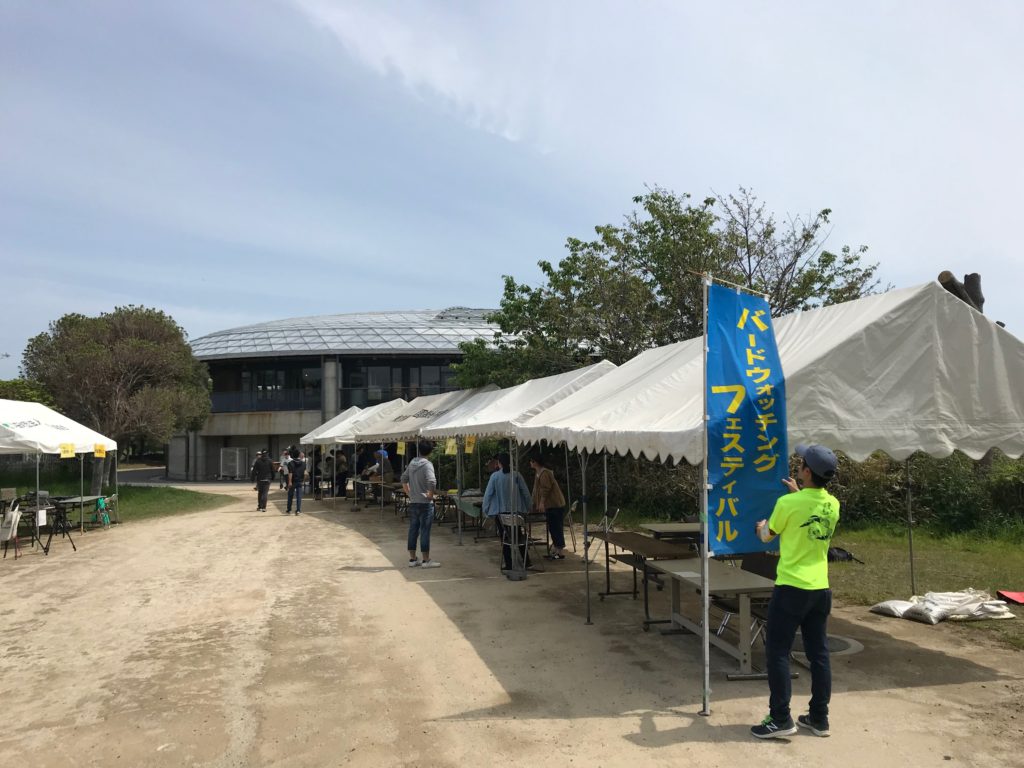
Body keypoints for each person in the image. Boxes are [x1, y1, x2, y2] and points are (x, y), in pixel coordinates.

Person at [750, 443, 841, 740]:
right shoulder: (833, 505)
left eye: (801, 463)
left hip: (791, 588)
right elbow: (808, 514)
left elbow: (767, 535)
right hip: (820, 589)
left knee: (777, 651)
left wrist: (760, 525)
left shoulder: (787, 505)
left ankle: (780, 718)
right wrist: (798, 494)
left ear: (806, 471)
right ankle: (819, 718)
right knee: (819, 654)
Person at [482, 452, 533, 570]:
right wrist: (529, 506)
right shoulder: (516, 475)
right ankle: (527, 562)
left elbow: (488, 495)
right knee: (519, 536)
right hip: (517, 512)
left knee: (505, 537)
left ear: (499, 463)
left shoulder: (495, 477)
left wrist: (485, 509)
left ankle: (509, 564)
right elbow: (525, 492)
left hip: (501, 513)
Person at [401, 440, 440, 568]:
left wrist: (409, 493)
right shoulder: (427, 464)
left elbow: (403, 479)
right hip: (425, 503)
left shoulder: (412, 463)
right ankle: (426, 560)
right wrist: (430, 495)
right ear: (430, 451)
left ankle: (412, 559)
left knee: (413, 530)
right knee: (424, 531)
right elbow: (432, 481)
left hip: (414, 502)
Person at [529, 452, 568, 559]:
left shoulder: (544, 473)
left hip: (555, 505)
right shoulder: (539, 473)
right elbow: (536, 490)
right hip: (550, 506)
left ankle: (559, 551)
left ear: (535, 462)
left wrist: (541, 502)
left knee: (556, 527)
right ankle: (556, 550)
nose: (530, 463)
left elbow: (545, 489)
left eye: (532, 461)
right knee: (552, 527)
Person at [285, 448, 306, 515]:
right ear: (299, 455)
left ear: (292, 455)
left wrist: (290, 482)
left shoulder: (290, 463)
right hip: (300, 481)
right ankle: (298, 510)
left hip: (293, 481)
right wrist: (303, 481)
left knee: (290, 495)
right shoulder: (303, 463)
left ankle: (289, 510)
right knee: (299, 497)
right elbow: (305, 473)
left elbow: (290, 473)